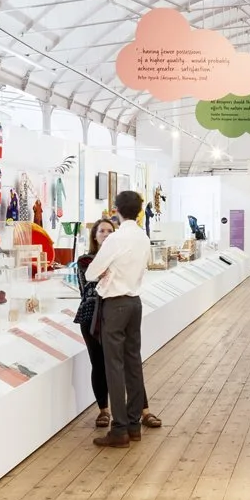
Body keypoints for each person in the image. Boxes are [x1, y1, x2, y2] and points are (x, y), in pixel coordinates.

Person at [88, 190, 161, 446]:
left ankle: (119, 429)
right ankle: (133, 425)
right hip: (134, 302)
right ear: (140, 211)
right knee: (133, 363)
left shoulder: (115, 239)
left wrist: (106, 270)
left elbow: (91, 272)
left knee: (114, 366)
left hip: (115, 304)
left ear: (116, 209)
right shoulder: (143, 236)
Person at [72, 221, 115, 427]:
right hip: (90, 314)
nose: (105, 234)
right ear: (95, 235)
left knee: (114, 363)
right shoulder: (84, 260)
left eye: (110, 231)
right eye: (102, 231)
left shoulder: (118, 258)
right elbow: (91, 284)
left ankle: (123, 409)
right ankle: (103, 410)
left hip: (114, 314)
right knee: (98, 363)